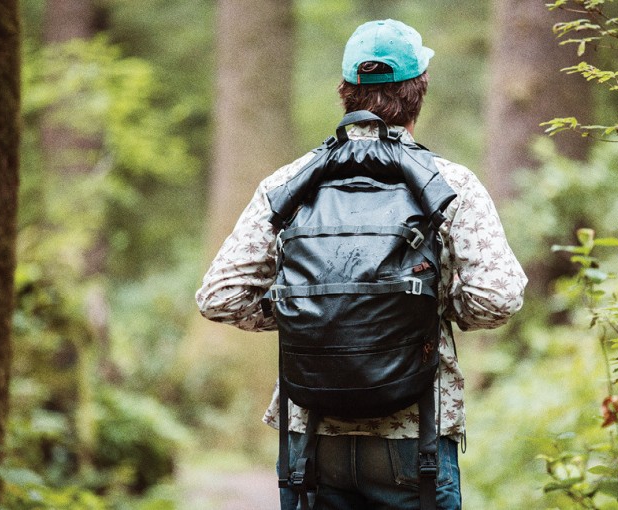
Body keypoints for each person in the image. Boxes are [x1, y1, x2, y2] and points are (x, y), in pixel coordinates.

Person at [196, 18, 527, 510]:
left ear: (345, 93)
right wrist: (422, 307)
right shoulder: (448, 184)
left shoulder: (289, 184)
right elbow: (497, 298)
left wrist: (307, 309)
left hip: (310, 438)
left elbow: (219, 297)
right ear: (419, 92)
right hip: (415, 435)